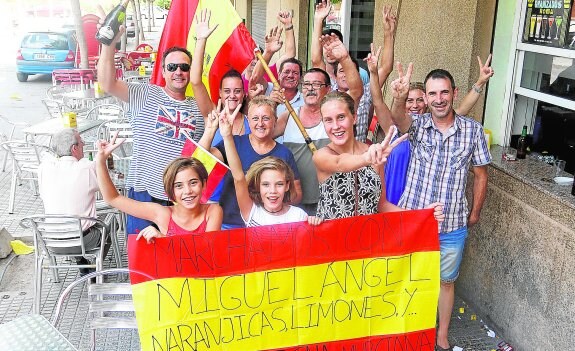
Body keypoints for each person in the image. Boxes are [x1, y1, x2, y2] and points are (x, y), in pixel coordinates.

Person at [389, 64, 491, 351]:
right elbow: (398, 119)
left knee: (446, 282)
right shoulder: (418, 125)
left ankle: (442, 335)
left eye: (444, 92)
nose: (438, 98)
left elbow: (481, 173)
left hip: (451, 225)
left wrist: (475, 212)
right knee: (405, 276)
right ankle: (402, 330)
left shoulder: (473, 131)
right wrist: (399, 96)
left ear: (454, 93)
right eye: (432, 93)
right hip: (413, 222)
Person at [96, 9, 216, 235]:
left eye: (184, 67)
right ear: (163, 71)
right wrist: (109, 44)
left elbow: (211, 113)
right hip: (143, 193)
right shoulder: (145, 93)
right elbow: (107, 83)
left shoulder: (198, 105)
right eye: (172, 67)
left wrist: (201, 41)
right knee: (143, 258)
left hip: (184, 199)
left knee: (177, 264)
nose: (178, 72)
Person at [372, 54, 494, 205]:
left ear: (425, 101)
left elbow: (462, 109)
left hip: (425, 198)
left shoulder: (434, 123)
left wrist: (480, 82)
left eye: (418, 100)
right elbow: (379, 104)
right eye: (409, 100)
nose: (415, 105)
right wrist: (374, 74)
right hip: (398, 195)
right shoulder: (398, 126)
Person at [313, 91, 444, 222]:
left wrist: (423, 215)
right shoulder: (322, 155)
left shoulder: (374, 153)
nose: (335, 126)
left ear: (354, 117)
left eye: (341, 117)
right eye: (328, 120)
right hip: (333, 238)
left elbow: (382, 205)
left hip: (368, 237)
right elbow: (339, 163)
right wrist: (366, 159)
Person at [95, 133, 223, 243]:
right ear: (170, 191)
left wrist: (163, 239)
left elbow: (205, 250)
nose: (187, 191)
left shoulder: (213, 211)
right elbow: (113, 198)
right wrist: (100, 161)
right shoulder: (163, 214)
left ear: (204, 184)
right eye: (179, 186)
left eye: (193, 183)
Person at [200, 96, 302, 229]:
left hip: (265, 225)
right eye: (255, 118)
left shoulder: (284, 153)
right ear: (248, 120)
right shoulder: (234, 143)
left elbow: (297, 194)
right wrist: (211, 129)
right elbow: (200, 162)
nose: (260, 123)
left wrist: (274, 197)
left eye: (266, 118)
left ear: (275, 121)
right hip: (228, 223)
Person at [216, 105, 321, 226]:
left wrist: (315, 223)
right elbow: (239, 178)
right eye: (265, 185)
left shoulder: (299, 215)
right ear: (258, 187)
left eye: (279, 184)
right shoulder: (252, 213)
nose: (272, 191)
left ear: (287, 186)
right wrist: (227, 136)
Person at [38, 129, 112, 273]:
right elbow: (108, 191)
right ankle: (95, 271)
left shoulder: (44, 169)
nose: (83, 144)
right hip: (82, 241)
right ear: (74, 148)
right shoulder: (86, 168)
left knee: (76, 222)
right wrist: (102, 155)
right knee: (110, 224)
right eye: (81, 141)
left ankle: (82, 263)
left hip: (50, 241)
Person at [273, 68, 332, 216]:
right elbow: (264, 134)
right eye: (306, 84)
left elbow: (357, 92)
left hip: (327, 198)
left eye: (316, 84)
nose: (310, 89)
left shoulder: (333, 118)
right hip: (294, 202)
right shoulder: (289, 116)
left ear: (328, 89)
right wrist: (272, 103)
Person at [312, 0, 369, 85]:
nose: (330, 50)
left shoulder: (361, 73)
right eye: (326, 46)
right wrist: (318, 19)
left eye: (333, 46)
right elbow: (316, 60)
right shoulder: (322, 76)